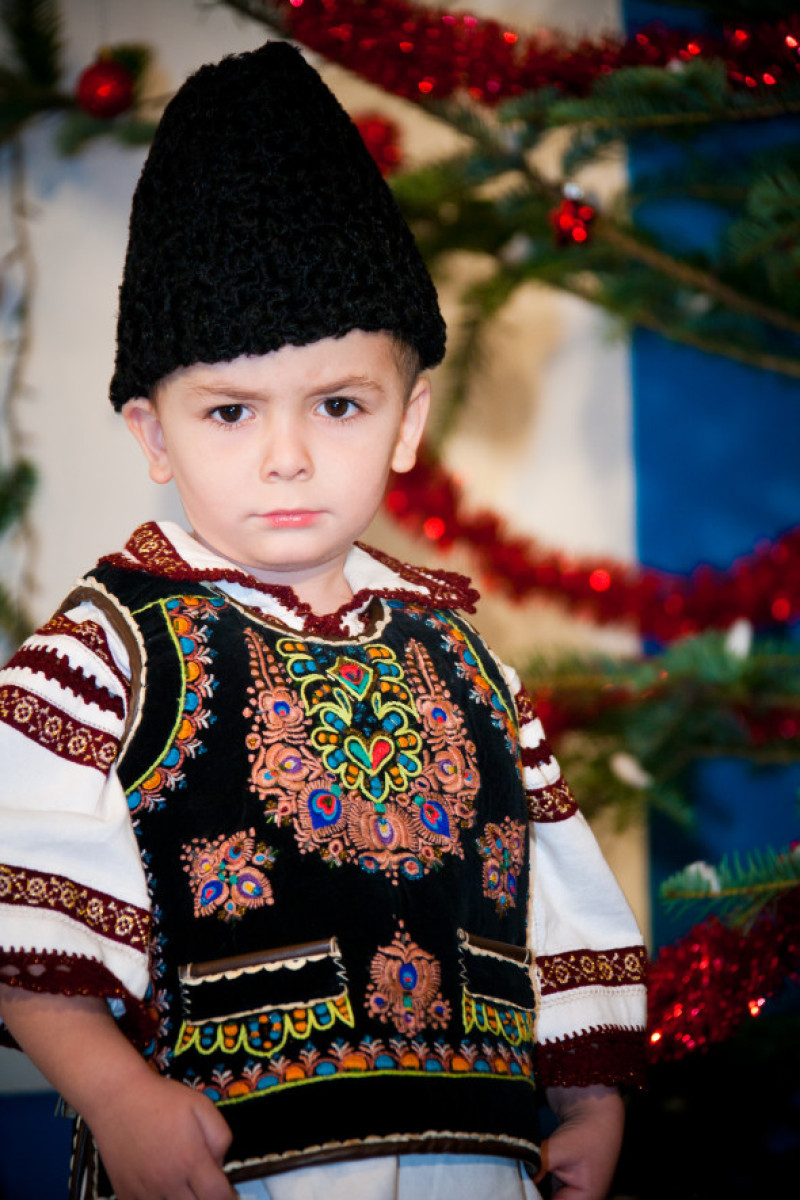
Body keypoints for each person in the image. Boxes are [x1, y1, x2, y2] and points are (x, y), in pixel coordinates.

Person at [0, 41, 646, 1200]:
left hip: (480, 1160)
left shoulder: (467, 656)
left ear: (408, 419)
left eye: (339, 403)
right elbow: (18, 908)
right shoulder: (105, 650)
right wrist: (114, 1095)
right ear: (153, 434)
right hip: (226, 1167)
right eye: (232, 409)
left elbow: (553, 889)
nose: (287, 454)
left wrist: (591, 1101)